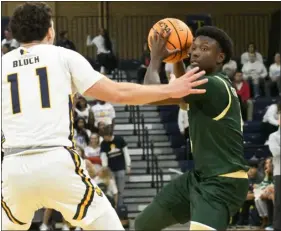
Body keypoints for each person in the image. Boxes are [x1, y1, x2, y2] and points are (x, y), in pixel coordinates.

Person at [2, 3, 207, 230]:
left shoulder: (3, 65)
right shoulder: (63, 56)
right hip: (56, 162)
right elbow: (118, 93)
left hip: (14, 167)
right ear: (50, 32)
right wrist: (171, 90)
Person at [136, 26, 249, 231]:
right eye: (193, 47)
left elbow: (151, 95)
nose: (195, 52)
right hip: (199, 177)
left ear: (220, 57)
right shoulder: (207, 85)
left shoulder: (212, 85)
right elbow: (183, 99)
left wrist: (155, 59)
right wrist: (177, 57)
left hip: (223, 182)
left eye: (205, 48)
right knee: (144, 224)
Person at [100, 125, 131, 207]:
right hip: (110, 169)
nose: (104, 138)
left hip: (120, 168)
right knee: (112, 189)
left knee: (120, 190)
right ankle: (112, 206)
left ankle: (119, 207)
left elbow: (126, 153)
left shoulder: (119, 140)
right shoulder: (103, 144)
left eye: (105, 136)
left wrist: (128, 165)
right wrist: (104, 166)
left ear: (109, 135)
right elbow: (103, 156)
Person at [268, 105, 281, 231]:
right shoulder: (273, 136)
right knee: (279, 203)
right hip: (279, 173)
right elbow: (276, 152)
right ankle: (277, 227)